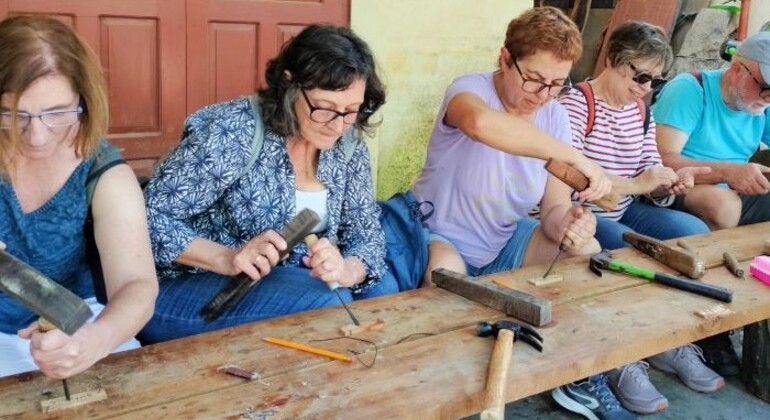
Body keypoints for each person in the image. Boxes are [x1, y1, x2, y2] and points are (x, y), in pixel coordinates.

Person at [139, 25, 391, 344]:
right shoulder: (233, 133)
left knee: (383, 297)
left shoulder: (348, 143)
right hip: (189, 290)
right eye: (324, 108)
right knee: (327, 308)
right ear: (289, 84)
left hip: (287, 283)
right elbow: (142, 220)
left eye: (352, 111)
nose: (338, 125)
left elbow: (367, 236)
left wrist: (346, 269)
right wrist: (227, 257)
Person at [555, 21, 722, 417]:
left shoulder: (639, 110)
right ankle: (621, 357)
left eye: (655, 80)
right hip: (583, 213)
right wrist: (639, 183)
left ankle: (667, 339)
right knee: (630, 249)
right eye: (640, 75)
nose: (646, 87)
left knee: (694, 234)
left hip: (625, 205)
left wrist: (666, 184)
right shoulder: (576, 105)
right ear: (613, 60)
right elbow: (572, 181)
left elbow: (648, 167)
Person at [407, 6, 612, 294]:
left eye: (555, 84)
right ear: (506, 59)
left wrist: (569, 224)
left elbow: (553, 207)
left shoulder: (555, 117)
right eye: (533, 79)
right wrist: (577, 158)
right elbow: (480, 123)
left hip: (504, 242)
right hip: (439, 236)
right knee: (444, 276)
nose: (542, 95)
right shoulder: (469, 90)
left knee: (587, 250)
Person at [0, 15, 158, 378]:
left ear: (84, 102)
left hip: (79, 321)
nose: (36, 136)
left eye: (57, 113)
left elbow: (138, 286)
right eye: (13, 114)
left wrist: (94, 340)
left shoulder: (101, 171)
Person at [654, 31, 770, 378]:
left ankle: (753, 304)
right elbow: (661, 161)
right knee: (723, 204)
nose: (767, 99)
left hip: (731, 187)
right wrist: (728, 172)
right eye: (764, 88)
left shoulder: (760, 104)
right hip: (680, 187)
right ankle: (713, 325)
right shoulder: (691, 90)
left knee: (730, 201)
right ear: (738, 70)